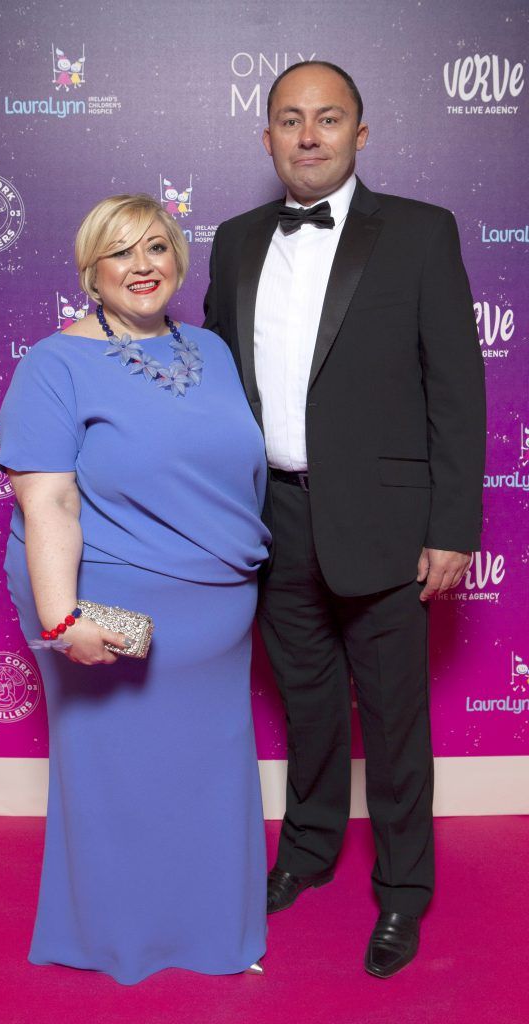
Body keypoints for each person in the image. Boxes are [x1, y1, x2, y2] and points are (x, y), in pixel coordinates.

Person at [204, 62, 486, 978]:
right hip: (271, 519)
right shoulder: (238, 240)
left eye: (329, 119)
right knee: (309, 706)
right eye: (291, 120)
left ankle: (404, 892)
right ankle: (310, 852)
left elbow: (457, 388)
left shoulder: (418, 231)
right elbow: (214, 385)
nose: (310, 134)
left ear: (360, 133)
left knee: (397, 721)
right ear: (268, 137)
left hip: (390, 524)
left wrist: (451, 526)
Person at [0, 193, 270, 984]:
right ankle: (117, 939)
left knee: (208, 775)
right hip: (112, 606)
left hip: (216, 607)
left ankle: (215, 928)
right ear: (91, 270)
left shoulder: (213, 351)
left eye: (156, 247)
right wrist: (63, 617)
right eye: (120, 252)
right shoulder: (54, 363)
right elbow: (48, 501)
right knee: (116, 774)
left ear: (179, 260)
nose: (141, 266)